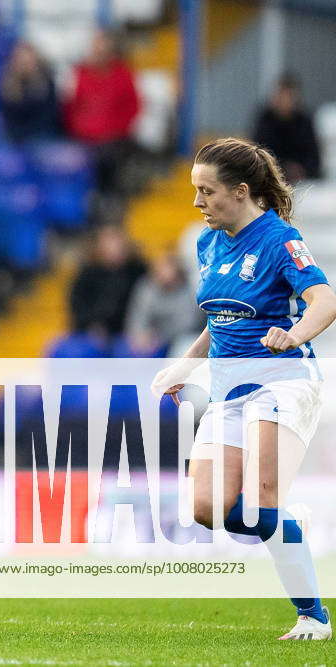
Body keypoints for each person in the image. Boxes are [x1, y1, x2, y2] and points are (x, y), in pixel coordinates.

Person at [152, 137, 336, 641]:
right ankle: (283, 520)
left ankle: (313, 617)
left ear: (239, 191)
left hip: (283, 383)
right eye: (195, 191)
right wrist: (185, 367)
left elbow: (324, 300)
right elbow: (220, 317)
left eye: (206, 191)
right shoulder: (206, 241)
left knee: (258, 503)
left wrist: (293, 334)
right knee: (205, 508)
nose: (197, 202)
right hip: (229, 388)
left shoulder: (280, 239)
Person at [63, 30, 140, 196]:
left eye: (104, 50)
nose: (99, 54)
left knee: (109, 158)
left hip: (114, 139)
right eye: (96, 50)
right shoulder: (78, 74)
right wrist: (79, 130)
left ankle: (107, 199)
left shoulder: (123, 75)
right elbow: (70, 107)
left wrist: (114, 131)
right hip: (82, 138)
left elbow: (132, 107)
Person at [252, 73, 321, 182]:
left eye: (288, 96)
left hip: (303, 182)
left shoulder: (304, 122)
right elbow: (258, 153)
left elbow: (313, 158)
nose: (284, 101)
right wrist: (282, 168)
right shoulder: (265, 120)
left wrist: (302, 170)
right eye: (281, 95)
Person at [0, 41, 61, 143]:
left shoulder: (47, 83)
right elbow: (7, 116)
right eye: (22, 60)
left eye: (29, 60)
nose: (25, 63)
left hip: (41, 134)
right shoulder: (6, 84)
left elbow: (49, 115)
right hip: (14, 135)